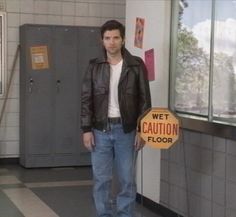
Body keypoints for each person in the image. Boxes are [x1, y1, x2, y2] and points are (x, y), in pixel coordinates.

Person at [81, 20, 151, 217]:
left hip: (126, 131)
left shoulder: (136, 65)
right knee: (101, 179)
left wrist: (143, 130)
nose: (111, 42)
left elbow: (145, 100)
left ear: (123, 40)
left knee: (127, 180)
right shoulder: (94, 66)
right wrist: (86, 130)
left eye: (115, 38)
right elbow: (86, 100)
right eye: (107, 38)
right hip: (99, 130)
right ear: (102, 41)